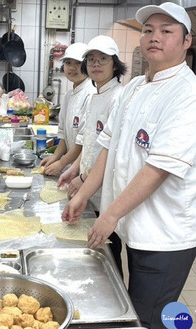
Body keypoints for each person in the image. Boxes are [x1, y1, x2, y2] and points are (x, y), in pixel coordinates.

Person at [62, 3, 196, 329]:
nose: (154, 37)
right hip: (133, 223)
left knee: (151, 321)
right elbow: (110, 146)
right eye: (148, 30)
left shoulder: (190, 96)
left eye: (167, 31)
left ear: (186, 41)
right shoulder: (135, 88)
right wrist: (83, 194)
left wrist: (108, 216)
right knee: (133, 313)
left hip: (167, 233)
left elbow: (158, 169)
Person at [57, 35, 126, 275]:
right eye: (92, 60)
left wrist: (84, 179)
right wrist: (74, 169)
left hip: (104, 185)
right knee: (95, 243)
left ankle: (114, 286)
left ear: (115, 64)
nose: (96, 64)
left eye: (103, 59)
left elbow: (110, 151)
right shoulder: (97, 94)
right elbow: (89, 142)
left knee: (109, 244)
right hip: (90, 184)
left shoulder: (118, 97)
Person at [39, 42, 95, 176]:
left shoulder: (91, 94)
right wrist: (54, 158)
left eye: (78, 63)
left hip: (86, 169)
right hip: (72, 167)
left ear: (86, 65)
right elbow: (64, 134)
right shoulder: (69, 96)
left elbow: (83, 142)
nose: (72, 68)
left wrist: (61, 163)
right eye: (68, 63)